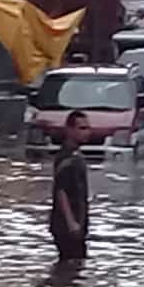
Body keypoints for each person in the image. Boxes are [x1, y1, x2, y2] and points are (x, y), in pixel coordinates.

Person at [51, 111, 91, 262]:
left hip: (77, 223)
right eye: (82, 128)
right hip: (67, 227)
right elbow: (62, 191)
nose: (87, 132)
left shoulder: (76, 156)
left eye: (87, 128)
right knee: (72, 263)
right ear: (69, 130)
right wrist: (71, 222)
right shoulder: (67, 158)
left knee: (74, 267)